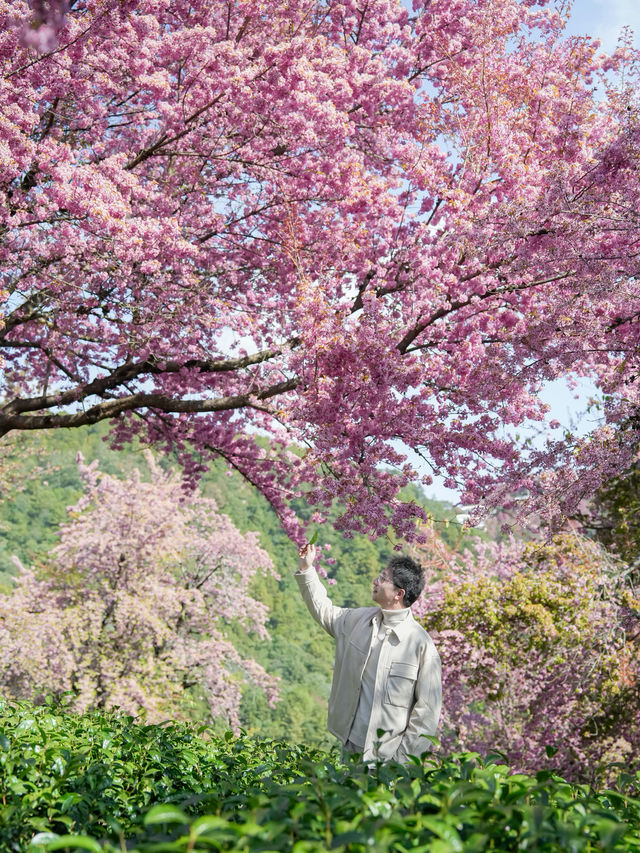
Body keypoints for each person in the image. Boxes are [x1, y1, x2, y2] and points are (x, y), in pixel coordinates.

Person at [295, 542, 442, 764]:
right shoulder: (359, 620)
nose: (376, 581)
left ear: (398, 594)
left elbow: (427, 713)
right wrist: (307, 570)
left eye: (383, 579)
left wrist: (400, 761)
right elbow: (324, 611)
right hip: (350, 747)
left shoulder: (420, 645)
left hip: (389, 759)